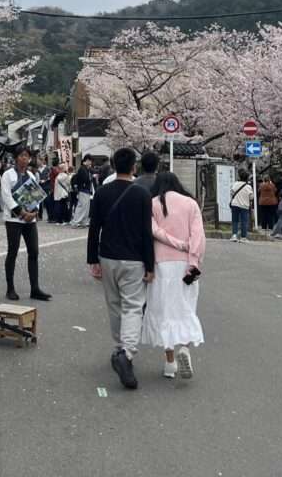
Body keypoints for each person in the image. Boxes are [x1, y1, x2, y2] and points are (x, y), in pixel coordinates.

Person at [87, 148, 154, 390]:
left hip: (108, 256)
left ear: (114, 166)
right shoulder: (143, 195)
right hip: (134, 258)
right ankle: (126, 352)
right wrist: (150, 263)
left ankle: (120, 348)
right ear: (134, 167)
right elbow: (147, 232)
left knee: (114, 304)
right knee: (133, 306)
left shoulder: (102, 193)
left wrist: (92, 259)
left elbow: (94, 228)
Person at [142, 172, 205, 380]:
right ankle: (184, 348)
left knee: (164, 311)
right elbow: (198, 236)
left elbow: (153, 231)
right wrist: (193, 260)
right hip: (186, 264)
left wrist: (175, 243)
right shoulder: (191, 204)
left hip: (161, 264)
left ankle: (170, 363)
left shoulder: (152, 204)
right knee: (185, 307)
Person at [0, 146, 52, 302]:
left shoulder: (31, 174)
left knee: (34, 252)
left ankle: (35, 288)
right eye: (22, 155)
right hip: (14, 219)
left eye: (27, 156)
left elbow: (35, 195)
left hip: (30, 219)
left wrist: (34, 212)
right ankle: (10, 288)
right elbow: (6, 197)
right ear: (16, 157)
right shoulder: (8, 175)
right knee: (13, 252)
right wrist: (22, 213)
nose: (24, 159)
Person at [229, 169, 254, 242]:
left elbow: (232, 192)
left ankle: (234, 235)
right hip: (244, 205)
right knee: (244, 221)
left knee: (235, 220)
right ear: (247, 178)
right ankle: (243, 237)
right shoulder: (248, 187)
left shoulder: (235, 184)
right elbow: (251, 197)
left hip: (235, 204)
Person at [71, 156, 94, 228]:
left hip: (85, 190)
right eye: (90, 161)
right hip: (83, 190)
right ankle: (75, 222)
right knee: (82, 207)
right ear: (86, 160)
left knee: (85, 207)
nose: (91, 163)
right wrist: (91, 177)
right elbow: (85, 179)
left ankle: (83, 222)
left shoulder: (85, 169)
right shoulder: (82, 169)